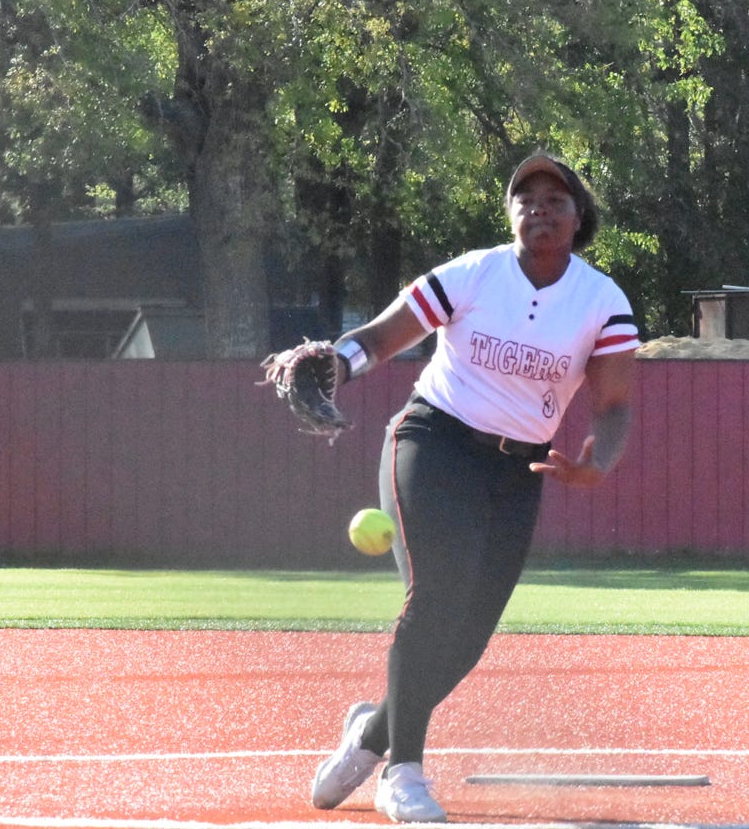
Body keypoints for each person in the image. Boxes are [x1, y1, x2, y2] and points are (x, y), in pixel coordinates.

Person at [267, 152, 639, 822]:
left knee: (467, 639)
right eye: (525, 198)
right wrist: (337, 364)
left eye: (555, 199)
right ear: (510, 214)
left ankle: (371, 733)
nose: (539, 208)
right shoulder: (475, 272)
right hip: (433, 441)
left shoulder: (601, 301)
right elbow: (381, 339)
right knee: (437, 596)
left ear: (580, 217)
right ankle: (401, 773)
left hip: (516, 470)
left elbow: (613, 407)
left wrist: (599, 461)